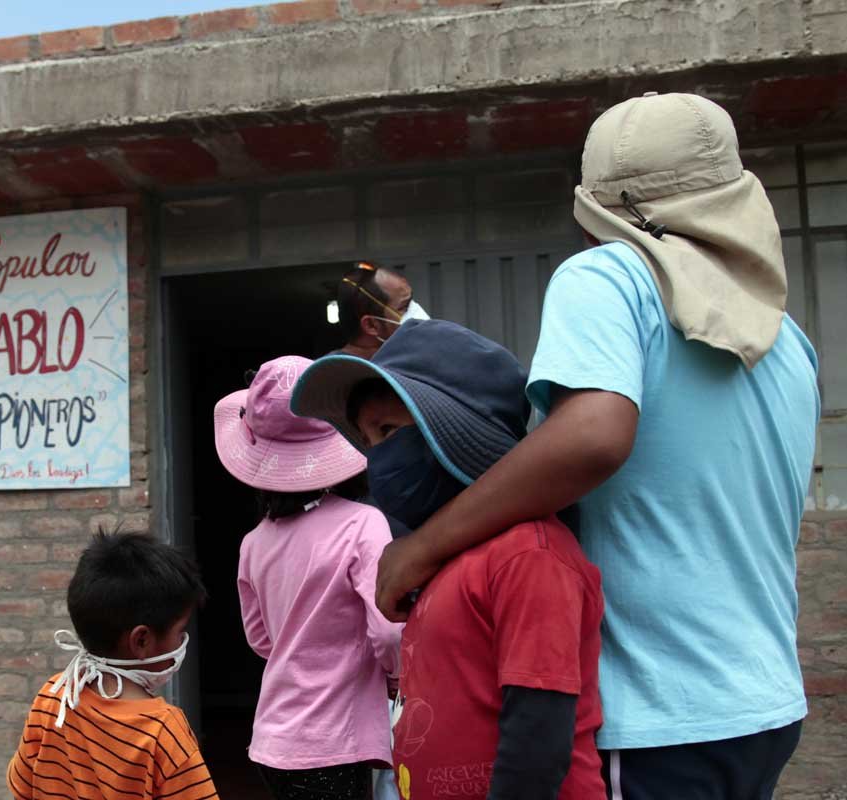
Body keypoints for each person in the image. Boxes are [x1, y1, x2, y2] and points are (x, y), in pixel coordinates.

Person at [371, 93, 820, 799]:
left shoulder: (610, 275)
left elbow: (590, 437)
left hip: (657, 716)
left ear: (595, 214)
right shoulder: (785, 338)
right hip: (763, 707)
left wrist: (420, 548)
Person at [292, 319, 605, 800]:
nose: (377, 460)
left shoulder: (529, 554)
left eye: (388, 430)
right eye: (368, 441)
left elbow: (537, 742)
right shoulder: (435, 562)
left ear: (456, 431)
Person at [213, 355, 402, 800]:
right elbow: (389, 632)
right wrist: (397, 676)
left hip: (272, 740)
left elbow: (261, 639)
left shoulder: (253, 542)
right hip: (334, 743)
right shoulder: (363, 524)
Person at [7, 531, 218, 800]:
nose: (182, 641)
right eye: (180, 631)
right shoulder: (163, 732)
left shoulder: (53, 696)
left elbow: (21, 790)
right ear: (141, 640)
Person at [333, 262, 429, 359]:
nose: (415, 310)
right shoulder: (337, 368)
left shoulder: (406, 359)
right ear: (371, 325)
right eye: (404, 307)